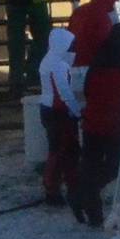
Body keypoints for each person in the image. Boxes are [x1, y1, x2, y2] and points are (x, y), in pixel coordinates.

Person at [71, 21, 120, 228]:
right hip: (115, 127)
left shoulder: (98, 61)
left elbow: (87, 90)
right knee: (113, 168)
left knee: (89, 166)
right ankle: (83, 193)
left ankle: (91, 211)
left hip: (92, 124)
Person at [35, 27, 84, 205]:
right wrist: (77, 112)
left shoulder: (48, 61)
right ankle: (55, 187)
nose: (73, 50)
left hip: (48, 110)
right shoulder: (59, 65)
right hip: (58, 114)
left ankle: (53, 187)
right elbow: (63, 92)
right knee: (62, 151)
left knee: (57, 150)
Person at [67, 0, 120, 66]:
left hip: (73, 62)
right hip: (91, 65)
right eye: (114, 0)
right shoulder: (103, 19)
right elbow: (103, 45)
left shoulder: (79, 11)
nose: (113, 5)